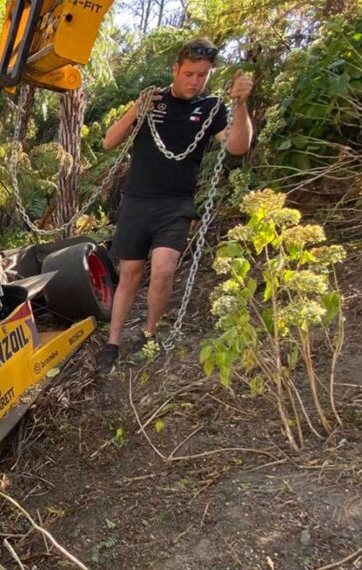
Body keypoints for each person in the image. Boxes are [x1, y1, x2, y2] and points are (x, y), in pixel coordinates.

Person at [96, 38, 254, 375]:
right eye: (189, 73)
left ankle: (150, 334)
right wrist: (136, 111)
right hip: (138, 200)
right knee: (130, 273)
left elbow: (238, 147)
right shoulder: (153, 99)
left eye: (202, 75)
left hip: (176, 204)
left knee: (164, 269)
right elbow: (109, 141)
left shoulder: (212, 108)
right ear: (175, 70)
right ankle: (112, 343)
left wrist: (241, 105)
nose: (195, 81)